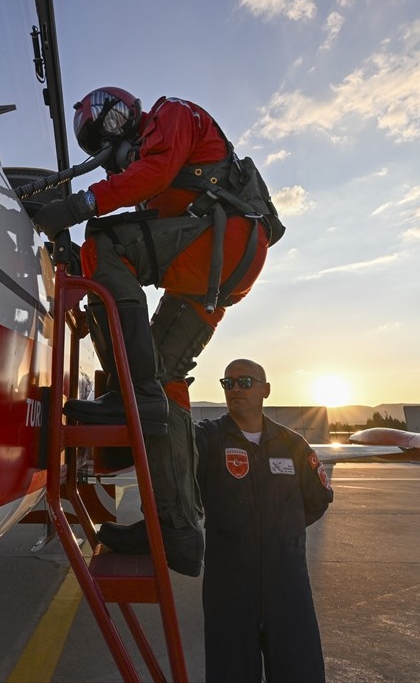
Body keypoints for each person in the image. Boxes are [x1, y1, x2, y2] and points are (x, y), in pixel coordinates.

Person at [34, 87, 280, 576]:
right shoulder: (155, 164)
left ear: (124, 116)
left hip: (221, 241)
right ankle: (177, 530)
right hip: (220, 264)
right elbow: (153, 205)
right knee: (164, 382)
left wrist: (82, 204)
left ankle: (129, 390)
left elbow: (155, 173)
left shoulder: (171, 115)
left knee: (104, 242)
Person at [194, 359, 333, 682]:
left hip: (287, 582)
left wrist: (282, 531)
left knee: (299, 670)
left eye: (244, 382)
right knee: (230, 672)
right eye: (228, 384)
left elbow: (316, 501)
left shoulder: (293, 445)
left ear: (265, 390)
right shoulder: (209, 439)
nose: (235, 390)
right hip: (229, 584)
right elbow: (177, 454)